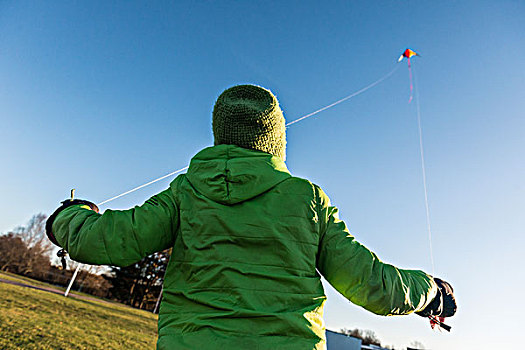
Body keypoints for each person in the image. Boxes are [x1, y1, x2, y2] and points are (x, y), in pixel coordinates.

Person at [46, 84, 456, 350]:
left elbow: (105, 238)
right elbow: (371, 284)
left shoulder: (186, 191)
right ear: (276, 142)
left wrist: (70, 216)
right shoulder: (307, 199)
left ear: (220, 134)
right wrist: (430, 292)